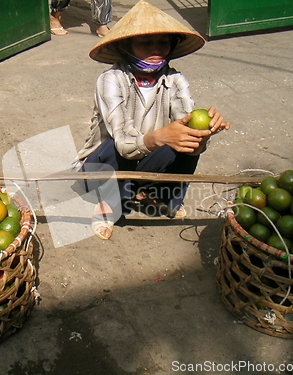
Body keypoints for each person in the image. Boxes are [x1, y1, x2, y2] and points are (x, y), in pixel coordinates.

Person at [72, 0, 230, 240]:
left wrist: (204, 132)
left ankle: (157, 196)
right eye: (145, 43)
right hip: (102, 166)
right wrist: (161, 136)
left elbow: (187, 126)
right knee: (114, 147)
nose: (156, 50)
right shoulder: (110, 80)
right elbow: (125, 143)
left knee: (185, 143)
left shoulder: (175, 80)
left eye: (163, 42)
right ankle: (108, 205)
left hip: (143, 159)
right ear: (127, 46)